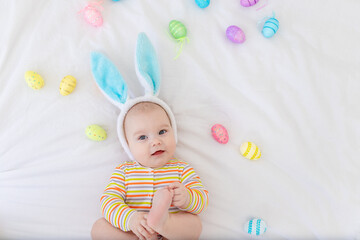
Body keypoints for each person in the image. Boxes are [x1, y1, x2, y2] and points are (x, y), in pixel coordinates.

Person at [91, 102, 209, 240]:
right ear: (128, 145)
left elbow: (202, 200)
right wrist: (130, 219)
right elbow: (108, 202)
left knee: (195, 224)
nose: (156, 142)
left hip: (169, 234)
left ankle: (164, 223)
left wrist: (187, 197)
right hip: (134, 232)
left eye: (162, 132)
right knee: (99, 228)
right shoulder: (124, 172)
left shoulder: (182, 169)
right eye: (142, 137)